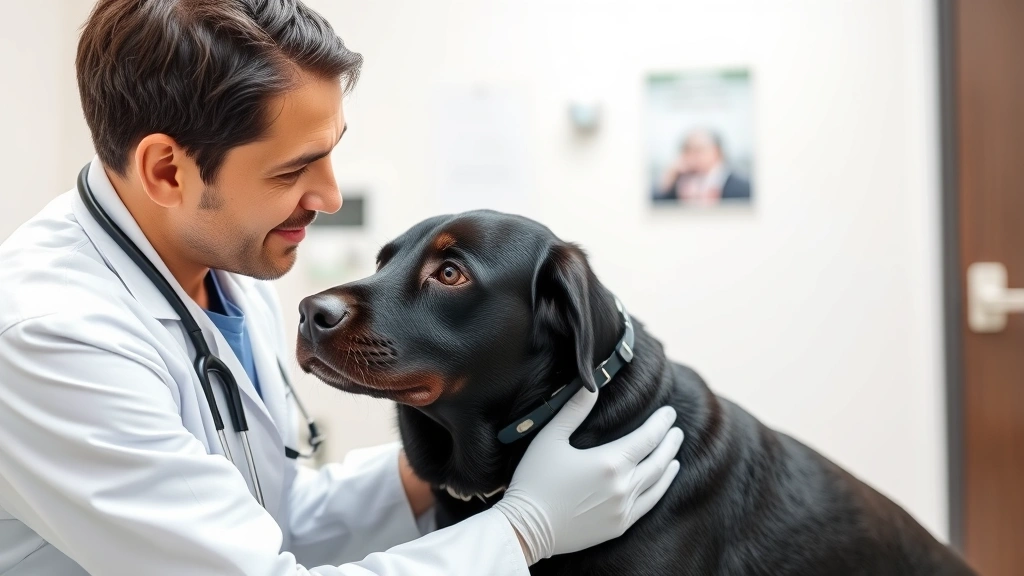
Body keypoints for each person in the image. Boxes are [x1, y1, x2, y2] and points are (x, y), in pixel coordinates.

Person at [0, 1, 684, 575]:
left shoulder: (224, 271)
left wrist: (457, 464)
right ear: (168, 171)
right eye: (292, 170)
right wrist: (525, 527)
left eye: (331, 152)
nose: (328, 196)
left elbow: (278, 517)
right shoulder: (51, 336)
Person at [654, 128, 752, 205]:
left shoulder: (741, 186)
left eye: (698, 150)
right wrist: (668, 180)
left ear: (717, 151)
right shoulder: (677, 183)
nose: (692, 156)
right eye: (687, 150)